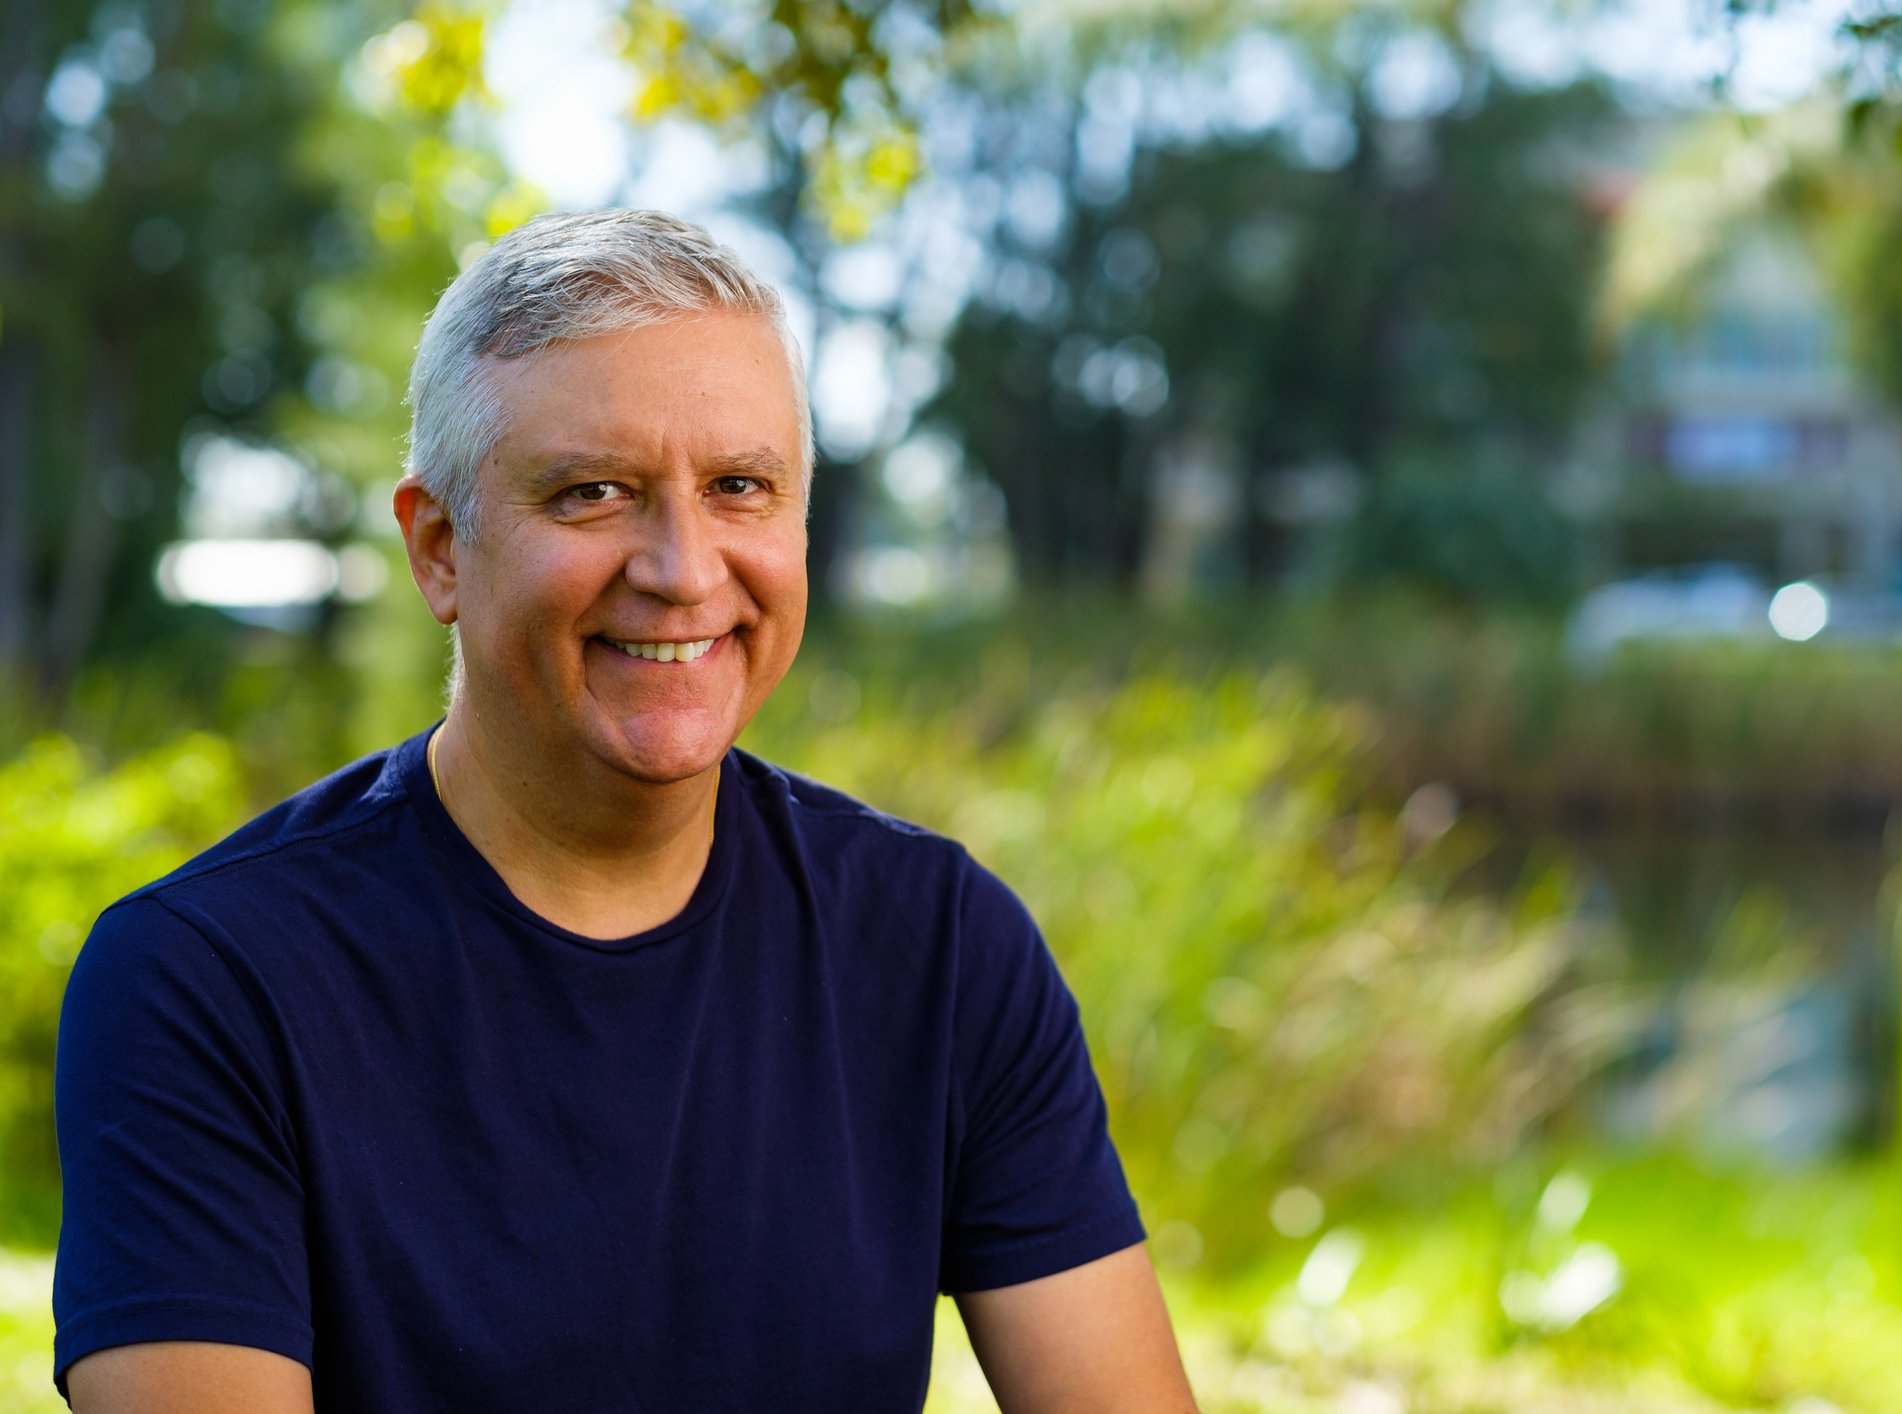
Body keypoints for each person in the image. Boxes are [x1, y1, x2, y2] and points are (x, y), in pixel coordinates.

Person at [52, 208, 1197, 1413]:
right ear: (441, 548)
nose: (683, 569)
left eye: (740, 487)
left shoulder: (939, 944)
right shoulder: (208, 978)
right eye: (593, 493)